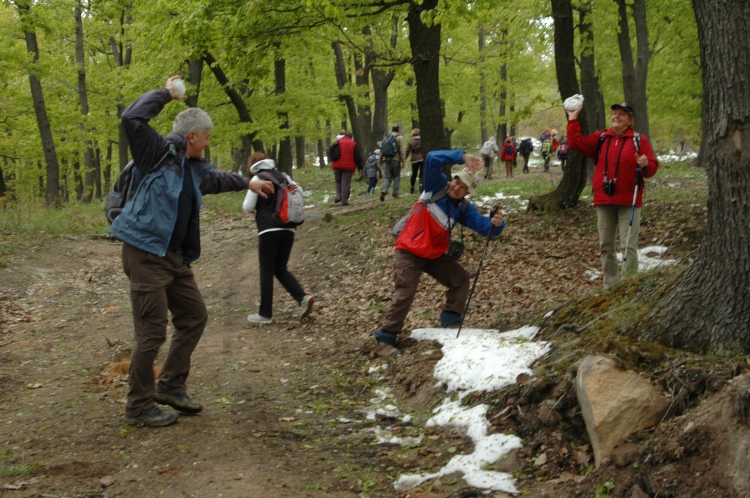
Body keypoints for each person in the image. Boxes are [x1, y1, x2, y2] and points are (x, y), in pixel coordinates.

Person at [110, 76, 274, 427]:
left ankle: (169, 385)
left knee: (195, 316)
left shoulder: (195, 167)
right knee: (151, 333)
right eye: (207, 137)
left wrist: (249, 181)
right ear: (192, 137)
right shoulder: (156, 152)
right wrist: (166, 95)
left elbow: (215, 181)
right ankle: (138, 406)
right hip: (145, 252)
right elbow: (131, 119)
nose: (209, 143)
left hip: (174, 258)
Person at [373, 150, 506, 357]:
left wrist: (497, 223)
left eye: (463, 187)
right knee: (406, 291)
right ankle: (385, 340)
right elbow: (433, 158)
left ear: (467, 193)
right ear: (452, 180)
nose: (457, 188)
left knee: (459, 277)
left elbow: (485, 227)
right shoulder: (435, 186)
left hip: (432, 255)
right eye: (457, 182)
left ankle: (451, 322)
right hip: (408, 249)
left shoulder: (463, 209)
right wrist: (462, 156)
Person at [566, 101, 659, 288]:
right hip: (604, 199)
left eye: (621, 114)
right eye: (614, 113)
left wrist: (645, 164)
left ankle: (629, 284)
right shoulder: (602, 138)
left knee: (628, 246)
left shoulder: (639, 141)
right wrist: (573, 118)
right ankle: (611, 286)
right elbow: (576, 142)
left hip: (629, 200)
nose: (616, 116)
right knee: (606, 246)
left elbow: (651, 168)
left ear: (630, 120)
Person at [243, 152, 314, 324]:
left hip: (268, 230)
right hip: (289, 228)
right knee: (280, 268)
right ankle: (303, 298)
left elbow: (247, 206)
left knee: (267, 271)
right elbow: (300, 193)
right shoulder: (284, 176)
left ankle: (265, 314)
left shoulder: (257, 179)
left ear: (253, 165)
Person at [332, 130, 361, 206]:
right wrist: (359, 168)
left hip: (337, 165)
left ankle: (338, 195)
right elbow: (357, 157)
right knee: (345, 183)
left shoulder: (338, 142)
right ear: (351, 137)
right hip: (348, 166)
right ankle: (344, 201)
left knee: (338, 181)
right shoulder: (353, 144)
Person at [380, 125, 405, 201]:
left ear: (391, 130)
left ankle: (384, 190)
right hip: (396, 160)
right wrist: (403, 161)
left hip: (387, 159)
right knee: (396, 177)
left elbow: (381, 150)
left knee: (387, 177)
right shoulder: (400, 138)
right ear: (398, 131)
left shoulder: (386, 137)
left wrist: (380, 160)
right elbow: (401, 150)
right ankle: (395, 194)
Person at [405, 128, 424, 194]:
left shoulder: (411, 142)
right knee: (422, 174)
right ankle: (421, 187)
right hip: (422, 159)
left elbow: (407, 151)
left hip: (414, 160)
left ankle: (412, 188)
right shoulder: (422, 140)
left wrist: (404, 159)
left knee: (414, 174)